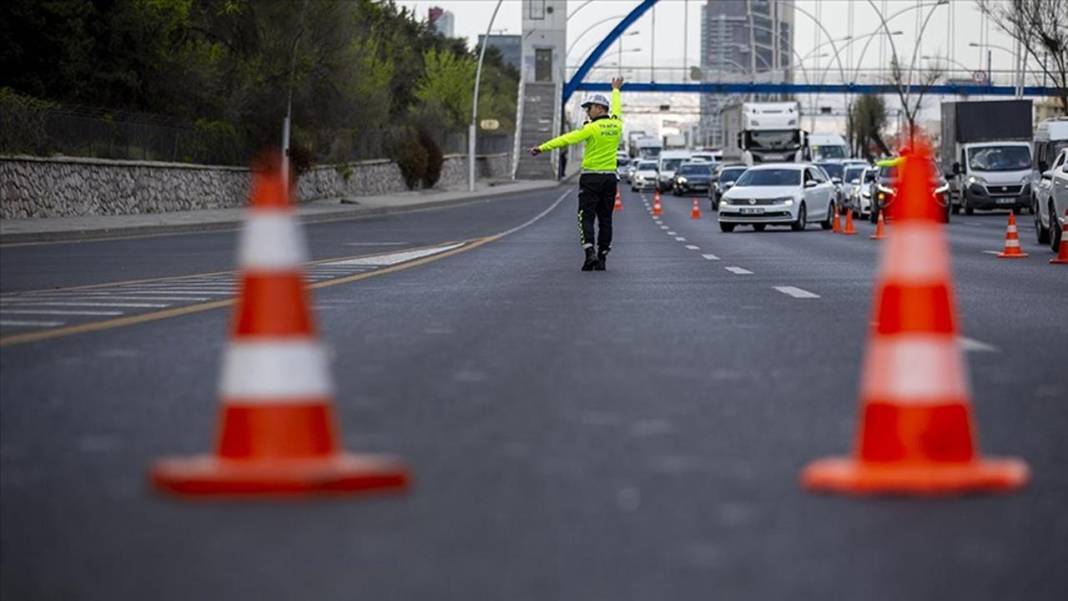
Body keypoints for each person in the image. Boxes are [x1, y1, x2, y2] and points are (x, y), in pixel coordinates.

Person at [531, 77, 624, 271]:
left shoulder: (590, 128)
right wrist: (615, 89)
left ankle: (589, 252)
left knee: (586, 217)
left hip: (591, 178)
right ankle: (603, 256)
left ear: (599, 108)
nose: (587, 112)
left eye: (589, 108)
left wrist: (542, 148)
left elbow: (566, 139)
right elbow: (617, 108)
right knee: (606, 218)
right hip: (609, 179)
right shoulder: (617, 125)